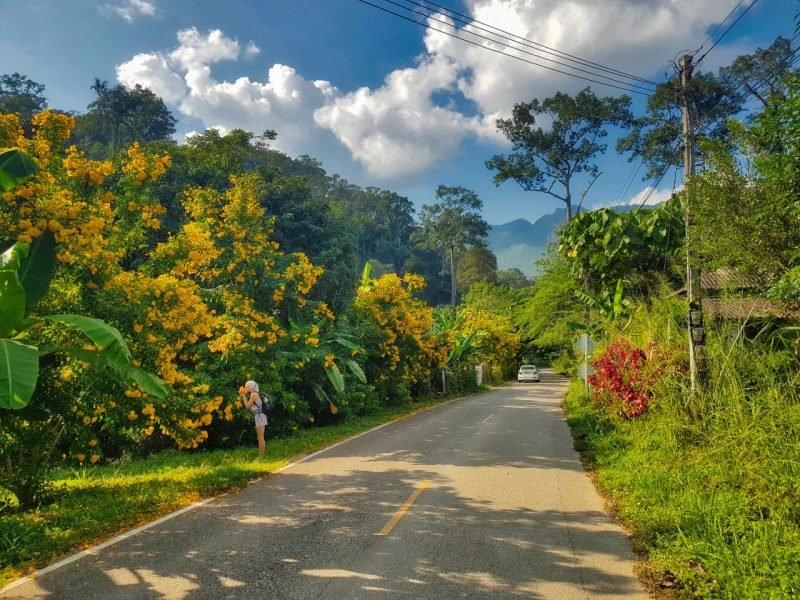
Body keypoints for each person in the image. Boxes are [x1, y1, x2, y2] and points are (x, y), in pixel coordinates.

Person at [240, 380, 267, 458]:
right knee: (260, 437)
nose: (245, 388)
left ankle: (261, 456)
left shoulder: (253, 395)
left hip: (259, 416)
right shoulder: (255, 394)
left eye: (247, 386)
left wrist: (243, 396)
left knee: (260, 437)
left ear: (250, 387)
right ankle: (261, 455)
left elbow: (248, 406)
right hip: (259, 416)